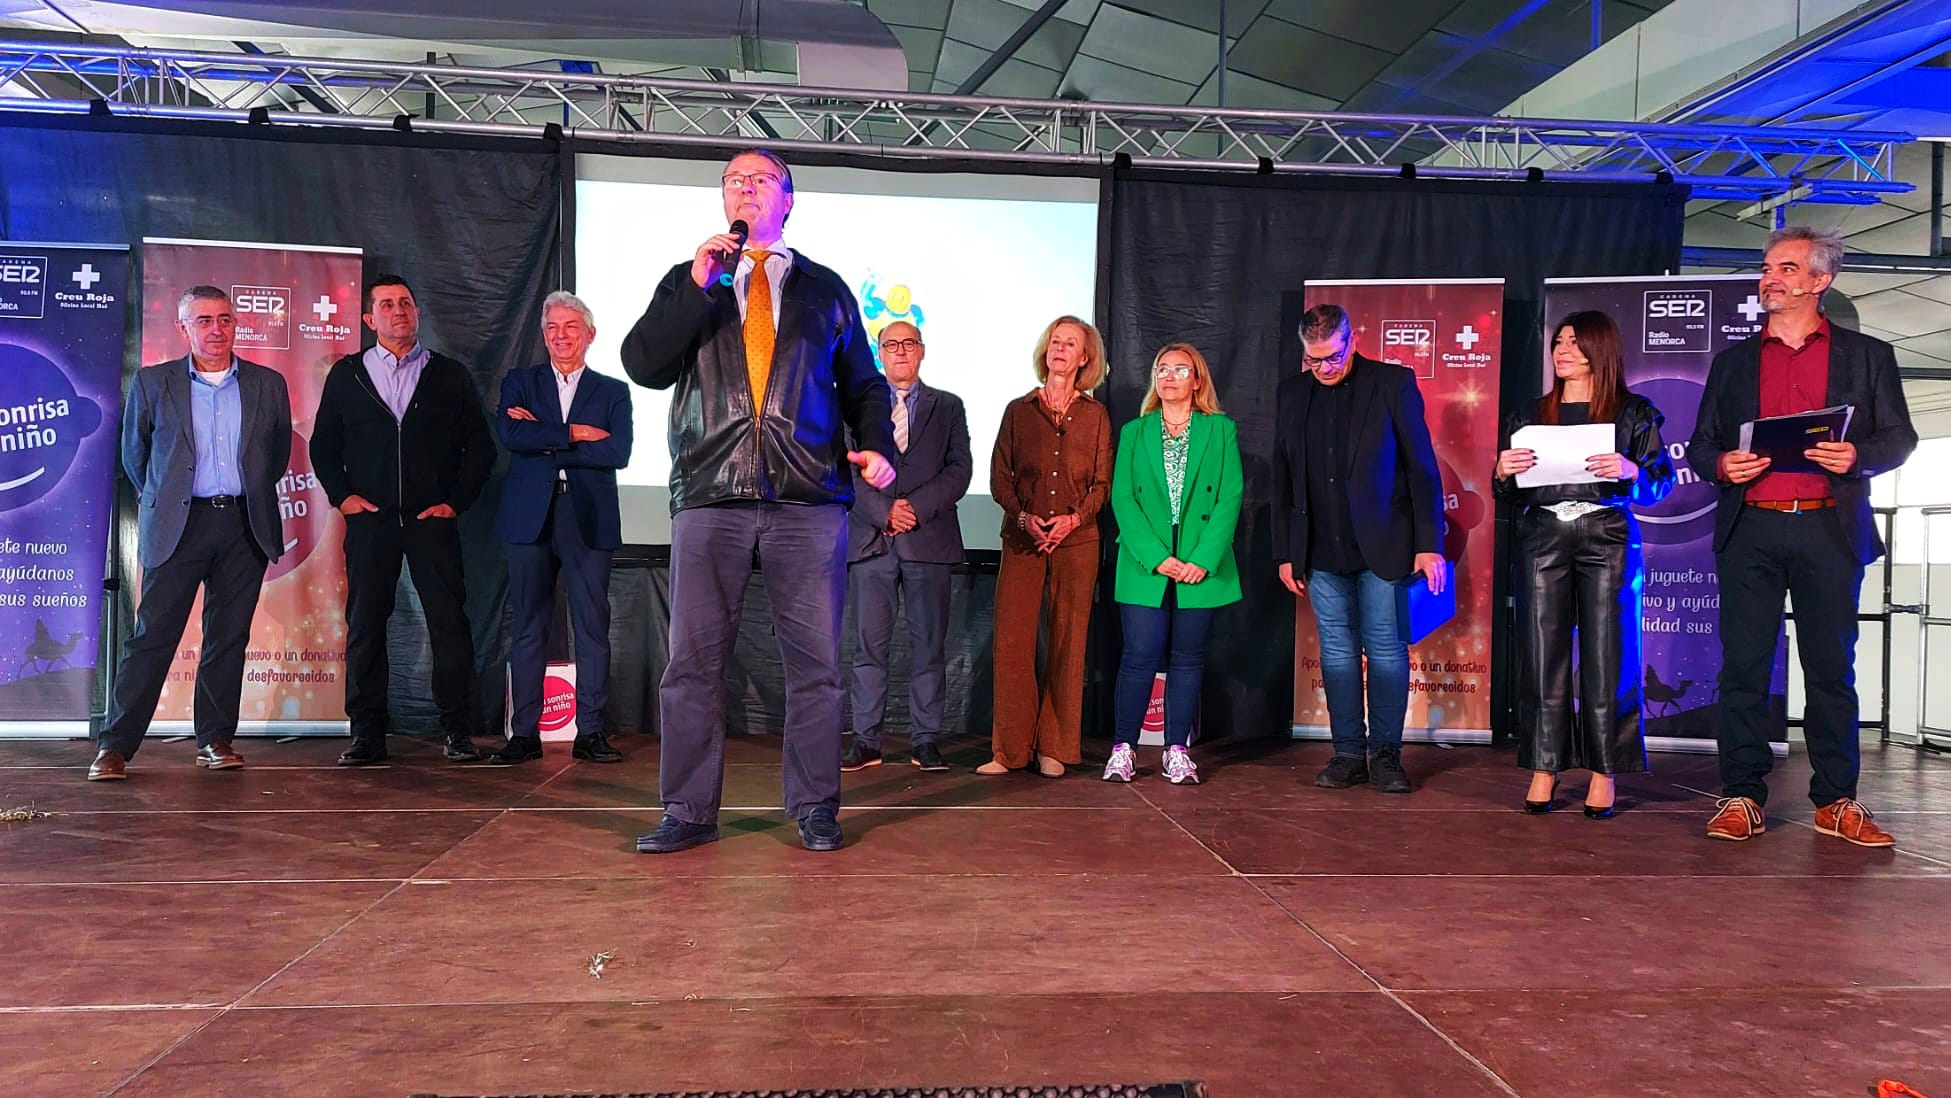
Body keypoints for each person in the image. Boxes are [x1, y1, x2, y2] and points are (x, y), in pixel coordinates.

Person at [621, 148, 895, 854]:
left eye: (759, 179)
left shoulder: (825, 289)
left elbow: (863, 385)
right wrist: (693, 283)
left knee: (816, 666)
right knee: (692, 665)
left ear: (787, 198)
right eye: (732, 181)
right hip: (711, 493)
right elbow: (643, 365)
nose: (744, 189)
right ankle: (687, 809)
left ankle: (814, 806)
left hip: (807, 497)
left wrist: (875, 447)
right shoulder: (694, 282)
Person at [1690, 225, 1917, 846]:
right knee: (1742, 667)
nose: (1771, 279)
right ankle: (1740, 795)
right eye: (1767, 268)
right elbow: (1704, 441)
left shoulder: (1868, 357)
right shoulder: (1733, 362)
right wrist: (1720, 466)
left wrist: (1858, 457)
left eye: (1786, 269)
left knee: (1829, 669)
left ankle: (1837, 801)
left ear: (1822, 280)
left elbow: (1900, 439)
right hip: (1751, 531)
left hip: (1828, 529)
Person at [89, 287, 292, 781]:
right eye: (203, 320)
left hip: (244, 524)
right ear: (183, 328)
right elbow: (136, 460)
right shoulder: (154, 382)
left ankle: (215, 740)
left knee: (228, 638)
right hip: (179, 525)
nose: (216, 329)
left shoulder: (268, 383)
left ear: (235, 325)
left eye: (224, 319)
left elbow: (277, 453)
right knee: (152, 637)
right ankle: (115, 747)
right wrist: (169, 500)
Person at [1495, 311, 1674, 817]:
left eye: (1575, 342)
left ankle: (1604, 770)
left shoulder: (1634, 412)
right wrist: (1503, 470)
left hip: (1608, 533)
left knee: (1607, 655)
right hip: (1543, 535)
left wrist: (1631, 468)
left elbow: (1662, 482)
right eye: (1559, 341)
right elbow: (1504, 490)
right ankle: (1543, 766)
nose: (1563, 350)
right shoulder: (1530, 414)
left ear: (1601, 349)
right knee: (1541, 652)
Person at [312, 274, 494, 767]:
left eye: (407, 304)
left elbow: (480, 445)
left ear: (417, 313)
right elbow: (323, 445)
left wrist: (454, 501)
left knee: (449, 624)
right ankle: (367, 733)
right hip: (370, 522)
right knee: (366, 625)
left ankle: (457, 730)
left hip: (430, 520)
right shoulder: (347, 375)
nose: (400, 311)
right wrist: (343, 496)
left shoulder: (449, 374)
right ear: (370, 319)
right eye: (388, 305)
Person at [1272, 304, 1447, 795]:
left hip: (1386, 547)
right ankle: (1347, 753)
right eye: (1313, 361)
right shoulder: (1291, 393)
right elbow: (1283, 477)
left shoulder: (1392, 383)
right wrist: (1286, 552)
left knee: (1387, 653)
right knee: (1337, 654)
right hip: (1320, 551)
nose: (1323, 369)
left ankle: (1387, 755)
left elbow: (1421, 470)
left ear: (1352, 341)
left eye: (1331, 357)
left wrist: (1428, 545)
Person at [492, 292, 634, 766]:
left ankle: (590, 732)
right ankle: (524, 734)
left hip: (587, 517)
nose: (560, 334)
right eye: (551, 326)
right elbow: (512, 436)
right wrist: (575, 433)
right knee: (529, 626)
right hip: (529, 517)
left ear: (589, 334)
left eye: (570, 325)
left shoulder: (613, 391)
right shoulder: (520, 382)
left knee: (592, 628)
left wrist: (545, 437)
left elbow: (617, 454)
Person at [1104, 343, 1243, 785]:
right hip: (1147, 564)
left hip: (1201, 565)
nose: (1168, 377)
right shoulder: (1134, 432)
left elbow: (1229, 497)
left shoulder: (1221, 431)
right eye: (1161, 369)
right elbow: (1122, 498)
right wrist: (1157, 557)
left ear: (1197, 379)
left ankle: (1176, 750)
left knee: (1187, 659)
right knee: (1139, 655)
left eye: (1179, 370)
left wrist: (1201, 559)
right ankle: (1123, 749)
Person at [981, 315, 1113, 779]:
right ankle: (1009, 751)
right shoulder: (1019, 410)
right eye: (1055, 342)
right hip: (1022, 539)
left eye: (1070, 343)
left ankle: (1054, 747)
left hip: (1077, 543)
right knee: (1014, 642)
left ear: (1084, 359)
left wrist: (1073, 519)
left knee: (1067, 642)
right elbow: (1000, 475)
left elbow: (1102, 483)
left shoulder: (1096, 416)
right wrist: (1024, 518)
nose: (1059, 349)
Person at [841, 321, 972, 774]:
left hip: (928, 540)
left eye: (908, 343)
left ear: (921, 351)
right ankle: (865, 741)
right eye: (890, 345)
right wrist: (884, 513)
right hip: (871, 542)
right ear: (879, 354)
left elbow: (960, 470)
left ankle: (926, 739)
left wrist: (912, 508)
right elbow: (845, 471)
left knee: (929, 646)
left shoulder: (949, 406)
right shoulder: (855, 407)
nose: (900, 351)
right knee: (868, 648)